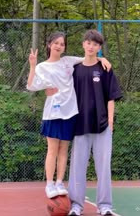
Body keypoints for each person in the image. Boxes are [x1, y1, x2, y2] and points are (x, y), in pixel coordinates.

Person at [26, 31, 111, 199]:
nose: (59, 46)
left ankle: (59, 182)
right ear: (49, 44)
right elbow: (30, 86)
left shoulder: (68, 62)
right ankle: (49, 184)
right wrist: (32, 66)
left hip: (70, 112)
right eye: (56, 43)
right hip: (52, 113)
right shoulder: (42, 67)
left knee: (64, 149)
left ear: (64, 47)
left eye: (62, 44)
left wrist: (103, 59)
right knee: (52, 149)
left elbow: (89, 58)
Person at [67, 30, 122, 216]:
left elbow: (111, 97)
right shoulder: (74, 69)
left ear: (99, 48)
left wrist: (111, 121)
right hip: (80, 125)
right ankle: (76, 206)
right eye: (88, 43)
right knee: (77, 168)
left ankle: (105, 206)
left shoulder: (105, 68)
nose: (91, 47)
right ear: (83, 44)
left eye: (95, 44)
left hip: (102, 125)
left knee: (104, 167)